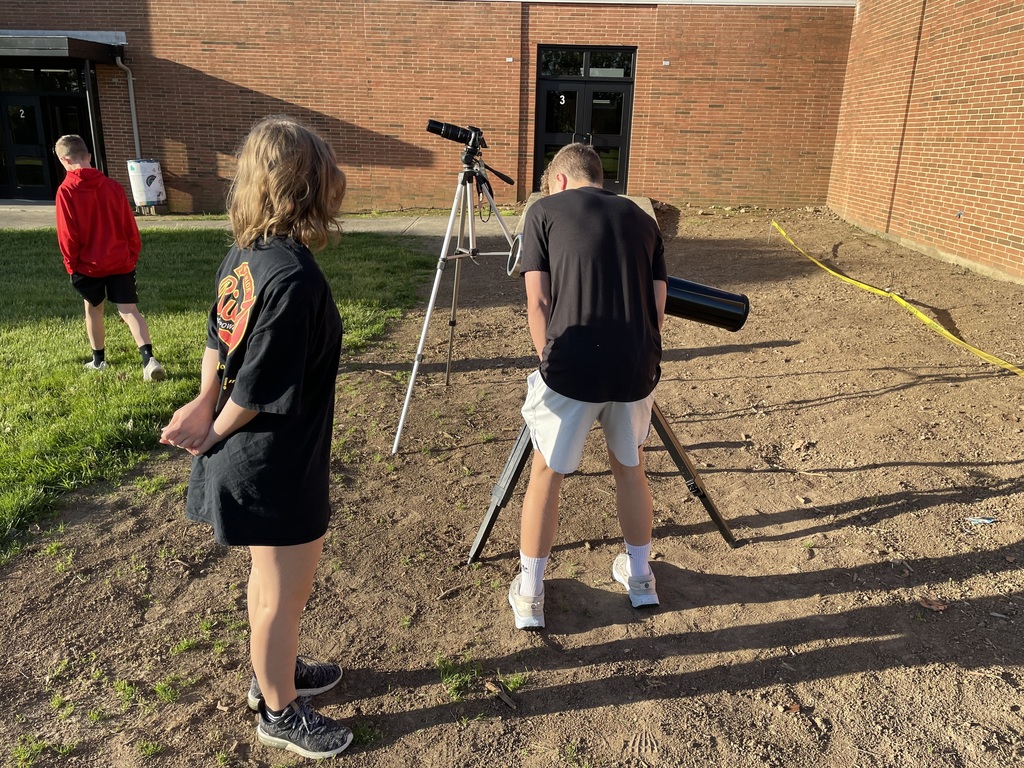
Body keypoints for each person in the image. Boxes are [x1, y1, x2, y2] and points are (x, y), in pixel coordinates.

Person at [160, 117, 351, 759]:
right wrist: (208, 427)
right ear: (305, 185)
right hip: (273, 461)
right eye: (325, 173)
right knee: (284, 592)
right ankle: (278, 707)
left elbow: (217, 338)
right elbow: (256, 391)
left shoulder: (245, 252)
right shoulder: (293, 277)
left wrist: (201, 399)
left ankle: (276, 670)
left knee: (269, 585)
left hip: (257, 456)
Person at [509, 143, 668, 630]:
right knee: (630, 471)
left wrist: (548, 361)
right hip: (636, 367)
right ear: (600, 179)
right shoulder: (644, 219)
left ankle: (532, 592)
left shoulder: (543, 212)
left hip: (572, 366)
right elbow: (658, 304)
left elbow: (538, 301)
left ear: (558, 180)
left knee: (546, 476)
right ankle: (641, 580)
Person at [54, 135, 165, 381]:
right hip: (120, 261)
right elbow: (130, 227)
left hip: (88, 266)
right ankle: (149, 360)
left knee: (94, 310)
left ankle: (98, 361)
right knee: (129, 311)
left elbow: (67, 235)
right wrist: (132, 254)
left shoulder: (66, 191)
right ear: (89, 156)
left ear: (64, 160)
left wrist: (71, 265)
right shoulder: (113, 187)